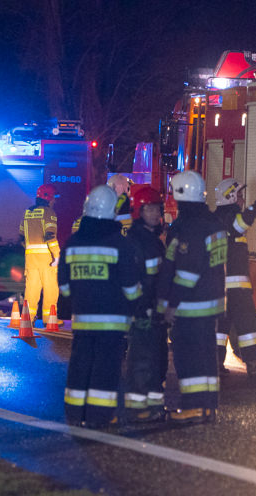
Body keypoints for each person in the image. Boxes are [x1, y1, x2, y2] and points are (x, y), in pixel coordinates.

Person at [59, 185, 142, 428]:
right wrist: (137, 303)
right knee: (105, 368)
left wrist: (78, 298)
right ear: (112, 213)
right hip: (112, 321)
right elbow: (130, 287)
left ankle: (75, 413)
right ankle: (99, 416)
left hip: (82, 319)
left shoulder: (73, 242)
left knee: (80, 364)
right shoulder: (120, 244)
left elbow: (63, 286)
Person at [157, 171, 226, 424]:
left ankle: (194, 407)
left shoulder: (190, 227)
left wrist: (171, 304)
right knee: (207, 356)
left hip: (191, 304)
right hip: (210, 303)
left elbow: (186, 271)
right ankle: (208, 407)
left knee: (189, 356)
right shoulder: (213, 223)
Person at [213, 178, 256, 376]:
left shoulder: (216, 218)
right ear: (230, 197)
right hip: (236, 286)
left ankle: (215, 364)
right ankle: (252, 362)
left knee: (220, 327)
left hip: (219, 286)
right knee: (248, 324)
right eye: (239, 195)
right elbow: (242, 222)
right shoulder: (230, 217)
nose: (242, 199)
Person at [122, 185, 168, 422]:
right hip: (143, 311)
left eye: (156, 209)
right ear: (139, 211)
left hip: (155, 310)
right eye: (148, 209)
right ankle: (139, 408)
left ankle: (154, 407)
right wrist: (142, 308)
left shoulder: (154, 240)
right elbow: (133, 279)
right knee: (142, 360)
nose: (154, 214)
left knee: (157, 359)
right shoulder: (137, 241)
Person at [19, 183, 60, 323]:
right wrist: (57, 255)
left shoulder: (28, 212)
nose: (54, 201)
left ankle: (27, 319)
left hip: (30, 259)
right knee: (51, 289)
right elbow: (50, 236)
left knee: (31, 289)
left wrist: (30, 249)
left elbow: (21, 237)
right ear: (48, 198)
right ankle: (49, 319)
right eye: (53, 198)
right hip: (46, 259)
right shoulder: (49, 212)